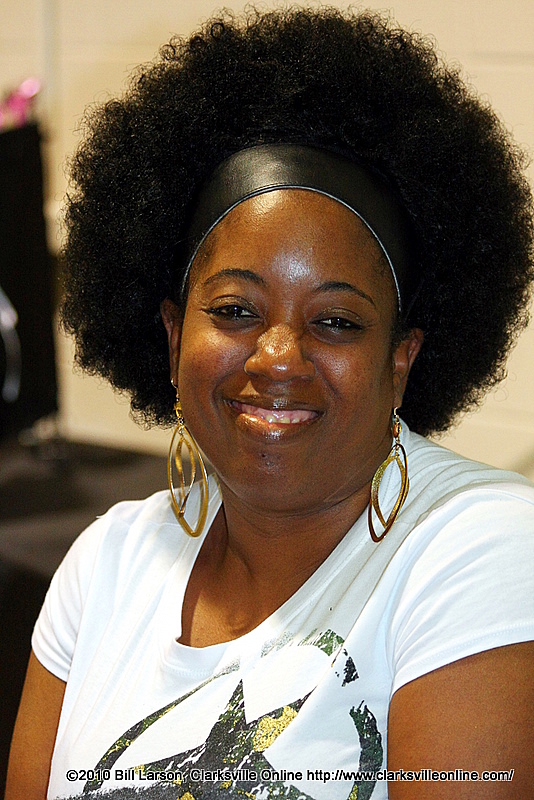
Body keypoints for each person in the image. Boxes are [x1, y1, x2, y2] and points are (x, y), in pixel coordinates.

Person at [6, 7, 534, 800]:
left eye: (336, 321)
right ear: (173, 335)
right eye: (234, 310)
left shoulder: (481, 550)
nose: (279, 356)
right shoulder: (105, 567)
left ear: (401, 361)